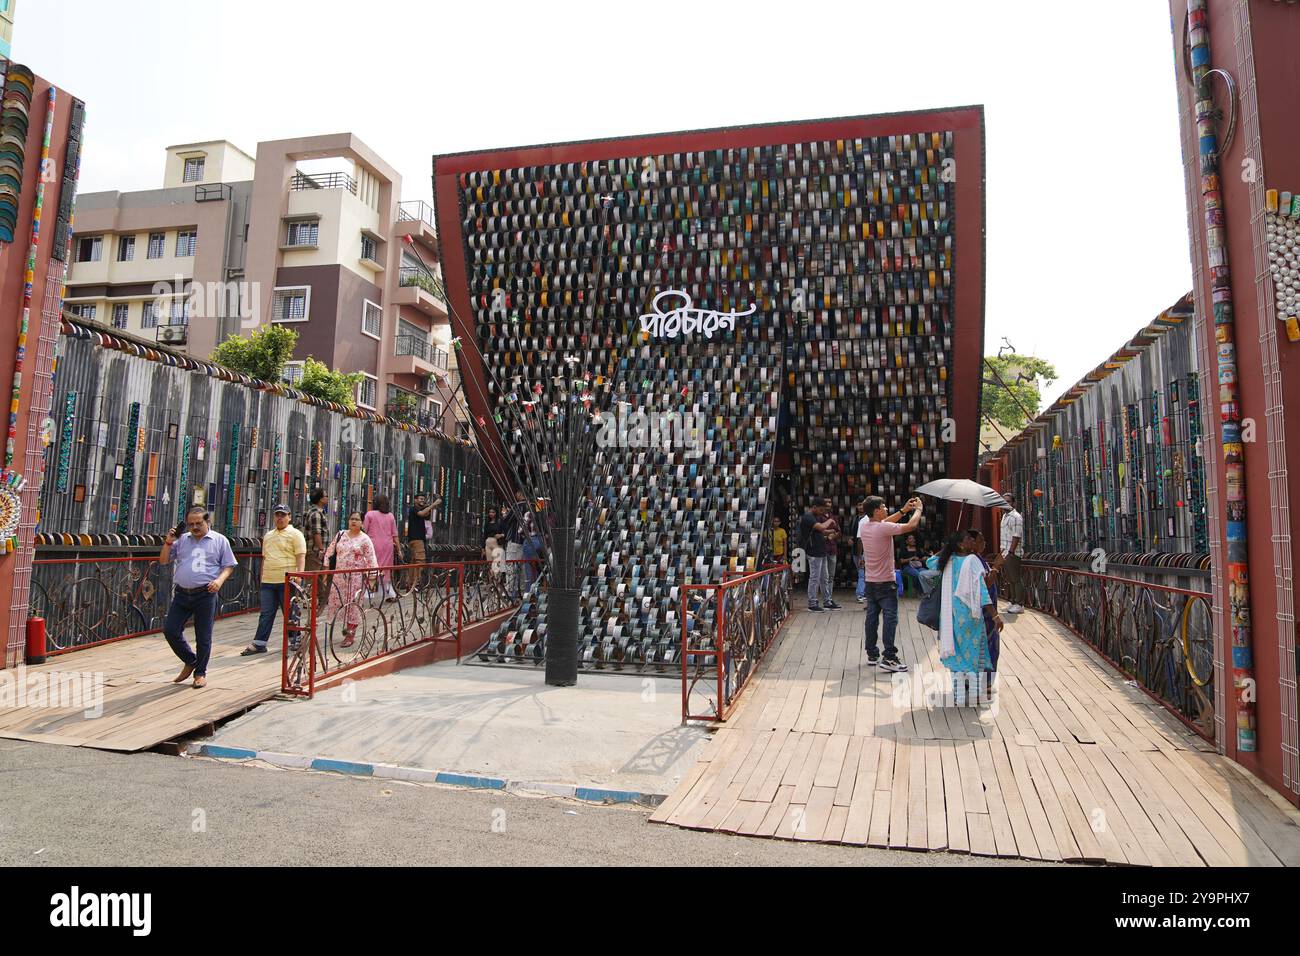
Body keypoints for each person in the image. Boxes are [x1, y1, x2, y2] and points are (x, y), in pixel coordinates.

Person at [157, 506, 237, 688]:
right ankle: (190, 660)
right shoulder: (183, 540)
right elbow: (163, 561)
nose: (194, 527)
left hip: (206, 593)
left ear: (207, 522)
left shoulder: (219, 540)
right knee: (170, 629)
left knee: (203, 635)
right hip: (182, 593)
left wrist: (219, 581)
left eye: (198, 523)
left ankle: (200, 673)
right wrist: (169, 542)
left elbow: (229, 565)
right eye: (191, 524)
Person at [927, 529, 1002, 705]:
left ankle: (959, 696)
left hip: (951, 616)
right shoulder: (973, 560)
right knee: (973, 656)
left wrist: (947, 549)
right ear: (961, 544)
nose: (973, 542)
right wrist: (995, 615)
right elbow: (982, 590)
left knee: (956, 653)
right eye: (969, 539)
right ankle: (975, 695)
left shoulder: (949, 561)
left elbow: (930, 562)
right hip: (971, 616)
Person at [858, 495, 923, 671]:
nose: (887, 509)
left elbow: (885, 522)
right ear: (877, 511)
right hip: (886, 583)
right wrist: (918, 510)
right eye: (884, 506)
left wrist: (903, 510)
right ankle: (889, 657)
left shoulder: (865, 527)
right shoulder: (883, 528)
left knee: (871, 618)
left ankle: (872, 654)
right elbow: (911, 526)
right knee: (890, 619)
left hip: (871, 582)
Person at [242, 504, 306, 656]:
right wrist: (262, 575)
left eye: (283, 515)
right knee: (266, 612)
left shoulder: (296, 534)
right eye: (277, 514)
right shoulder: (268, 536)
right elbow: (265, 558)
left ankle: (295, 640)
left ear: (289, 517)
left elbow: (300, 556)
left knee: (290, 612)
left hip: (288, 579)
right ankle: (260, 643)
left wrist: (299, 576)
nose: (280, 518)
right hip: (269, 581)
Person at [323, 511, 379, 648]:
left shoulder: (365, 539)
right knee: (338, 603)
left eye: (357, 519)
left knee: (353, 605)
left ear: (361, 523)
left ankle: (350, 634)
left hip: (355, 578)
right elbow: (329, 552)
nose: (354, 521)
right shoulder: (341, 535)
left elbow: (371, 559)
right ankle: (340, 629)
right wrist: (325, 572)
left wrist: (372, 578)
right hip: (339, 576)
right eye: (351, 519)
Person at [970, 529, 1002, 691]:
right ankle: (985, 682)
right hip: (985, 611)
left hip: (986, 609)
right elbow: (985, 585)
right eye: (981, 540)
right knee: (989, 645)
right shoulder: (974, 561)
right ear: (972, 543)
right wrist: (996, 567)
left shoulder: (977, 559)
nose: (984, 544)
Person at [798, 500, 838, 611]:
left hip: (821, 551)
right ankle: (812, 603)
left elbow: (821, 531)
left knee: (825, 578)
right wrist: (830, 520)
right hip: (814, 552)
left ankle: (827, 601)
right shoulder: (808, 517)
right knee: (814, 578)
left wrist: (830, 532)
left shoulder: (814, 517)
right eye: (821, 510)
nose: (822, 512)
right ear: (814, 507)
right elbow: (821, 528)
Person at [363, 495, 400, 601]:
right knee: (386, 568)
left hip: (373, 544)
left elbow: (364, 530)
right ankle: (389, 590)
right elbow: (395, 535)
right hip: (388, 546)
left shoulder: (370, 515)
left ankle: (369, 591)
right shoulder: (391, 516)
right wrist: (399, 549)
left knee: (372, 567)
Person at [995, 492, 1025, 614]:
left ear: (1013, 503)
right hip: (1005, 551)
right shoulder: (1004, 516)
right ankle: (1012, 601)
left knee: (1016, 578)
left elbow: (1016, 536)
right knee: (1010, 578)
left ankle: (1019, 603)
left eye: (1008, 501)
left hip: (1012, 553)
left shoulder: (1016, 517)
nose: (1005, 503)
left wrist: (1011, 552)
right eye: (1004, 501)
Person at [304, 488, 329, 610]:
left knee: (319, 578)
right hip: (314, 551)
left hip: (316, 550)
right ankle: (309, 601)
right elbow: (316, 533)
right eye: (325, 496)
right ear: (320, 499)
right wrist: (321, 549)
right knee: (312, 577)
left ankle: (321, 601)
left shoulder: (320, 512)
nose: (327, 498)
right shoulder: (316, 514)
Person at [851, 499, 869, 604]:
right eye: (859, 504)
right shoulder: (856, 519)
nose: (860, 507)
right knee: (862, 573)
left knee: (863, 573)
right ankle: (860, 594)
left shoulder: (865, 519)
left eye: (862, 504)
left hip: (863, 551)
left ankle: (862, 593)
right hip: (858, 551)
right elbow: (858, 538)